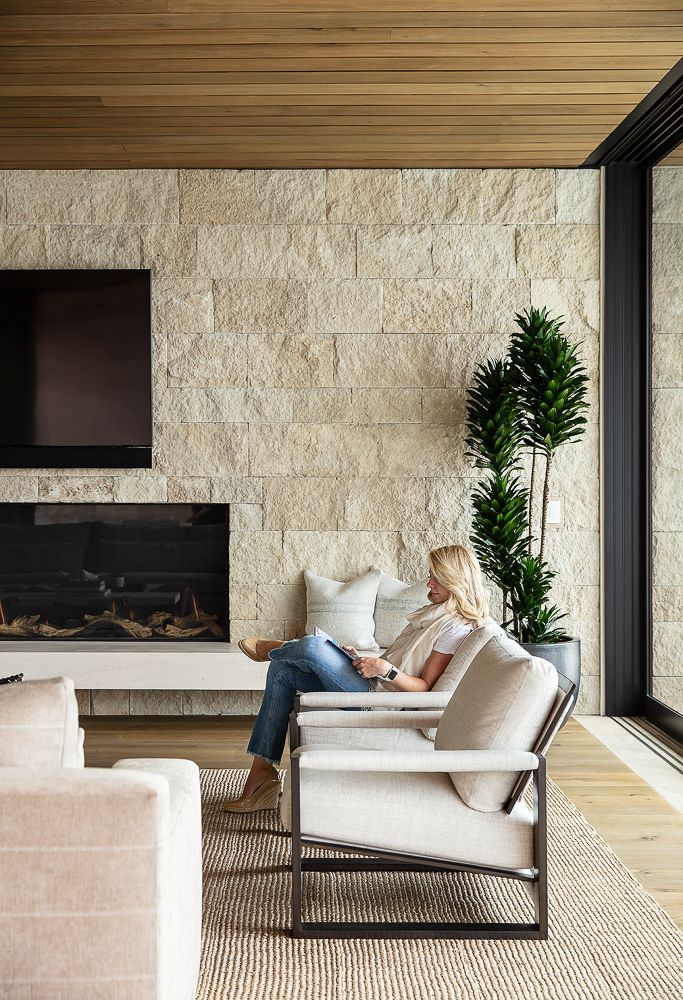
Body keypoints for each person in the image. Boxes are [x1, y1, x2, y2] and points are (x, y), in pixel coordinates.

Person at [222, 544, 489, 813]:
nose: (429, 583)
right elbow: (400, 660)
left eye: (436, 577)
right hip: (372, 684)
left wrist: (385, 670)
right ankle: (261, 778)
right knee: (282, 672)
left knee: (313, 647)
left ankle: (275, 648)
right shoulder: (435, 615)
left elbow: (425, 690)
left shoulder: (454, 627)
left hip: (379, 701)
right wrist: (359, 659)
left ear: (455, 579)